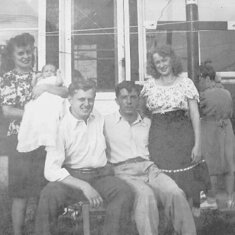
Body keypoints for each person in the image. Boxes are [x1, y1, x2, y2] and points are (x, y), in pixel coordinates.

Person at [34, 78, 134, 235]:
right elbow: (51, 170)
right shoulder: (60, 126)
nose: (87, 104)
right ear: (70, 100)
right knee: (48, 195)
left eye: (90, 99)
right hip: (72, 179)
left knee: (123, 191)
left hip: (99, 177)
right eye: (81, 99)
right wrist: (84, 186)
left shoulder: (97, 117)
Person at [104, 80, 196, 235]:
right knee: (146, 196)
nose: (129, 101)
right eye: (124, 97)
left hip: (150, 169)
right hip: (123, 172)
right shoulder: (106, 122)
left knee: (175, 192)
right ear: (117, 100)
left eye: (133, 97)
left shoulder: (148, 123)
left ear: (139, 99)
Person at [0, 33, 68, 235]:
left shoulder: (42, 76)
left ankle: (41, 231)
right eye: (21, 53)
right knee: (20, 193)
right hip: (19, 140)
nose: (26, 56)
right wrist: (35, 116)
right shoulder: (7, 79)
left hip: (44, 140)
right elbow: (7, 111)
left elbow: (65, 93)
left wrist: (46, 86)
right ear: (13, 56)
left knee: (42, 190)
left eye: (29, 52)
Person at [141, 44, 205, 216]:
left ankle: (190, 222)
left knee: (187, 183)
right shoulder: (149, 86)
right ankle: (167, 222)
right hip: (159, 138)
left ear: (172, 59)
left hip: (183, 137)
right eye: (157, 62)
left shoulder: (186, 83)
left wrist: (198, 145)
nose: (161, 65)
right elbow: (144, 118)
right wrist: (143, 144)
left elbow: (194, 114)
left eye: (164, 60)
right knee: (163, 181)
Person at [199, 61, 235, 209]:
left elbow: (195, 114)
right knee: (229, 164)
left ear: (207, 78)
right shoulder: (227, 93)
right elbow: (231, 113)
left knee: (210, 164)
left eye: (200, 79)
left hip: (210, 129)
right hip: (227, 128)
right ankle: (230, 198)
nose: (199, 82)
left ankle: (212, 199)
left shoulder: (204, 95)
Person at [17, 63, 65, 152]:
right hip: (40, 101)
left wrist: (58, 74)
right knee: (30, 109)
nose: (49, 73)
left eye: (52, 71)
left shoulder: (54, 79)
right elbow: (33, 86)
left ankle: (48, 137)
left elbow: (59, 83)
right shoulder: (41, 80)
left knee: (51, 115)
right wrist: (35, 77)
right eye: (46, 71)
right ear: (42, 73)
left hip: (51, 98)